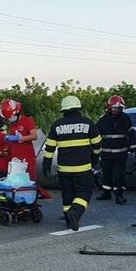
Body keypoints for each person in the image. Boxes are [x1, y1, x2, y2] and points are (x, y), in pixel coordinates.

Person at [42, 95, 102, 231]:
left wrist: (46, 163)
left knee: (67, 193)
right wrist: (95, 157)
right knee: (84, 192)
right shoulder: (87, 123)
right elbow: (97, 144)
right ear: (78, 108)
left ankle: (69, 219)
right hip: (83, 168)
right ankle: (75, 212)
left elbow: (49, 147)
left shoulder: (57, 125)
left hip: (64, 169)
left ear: (63, 110)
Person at [96, 94, 136, 204]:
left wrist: (133, 147)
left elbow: (131, 133)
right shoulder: (103, 120)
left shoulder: (125, 118)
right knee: (106, 173)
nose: (116, 110)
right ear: (109, 108)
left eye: (119, 108)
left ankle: (119, 195)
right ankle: (106, 193)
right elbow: (96, 135)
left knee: (119, 175)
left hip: (120, 153)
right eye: (114, 108)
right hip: (106, 153)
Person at [0, 98, 39, 181]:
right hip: (15, 157)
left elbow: (34, 136)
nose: (9, 119)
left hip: (27, 157)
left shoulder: (27, 121)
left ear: (16, 113)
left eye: (10, 117)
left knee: (29, 181)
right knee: (15, 181)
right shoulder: (12, 124)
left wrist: (21, 138)